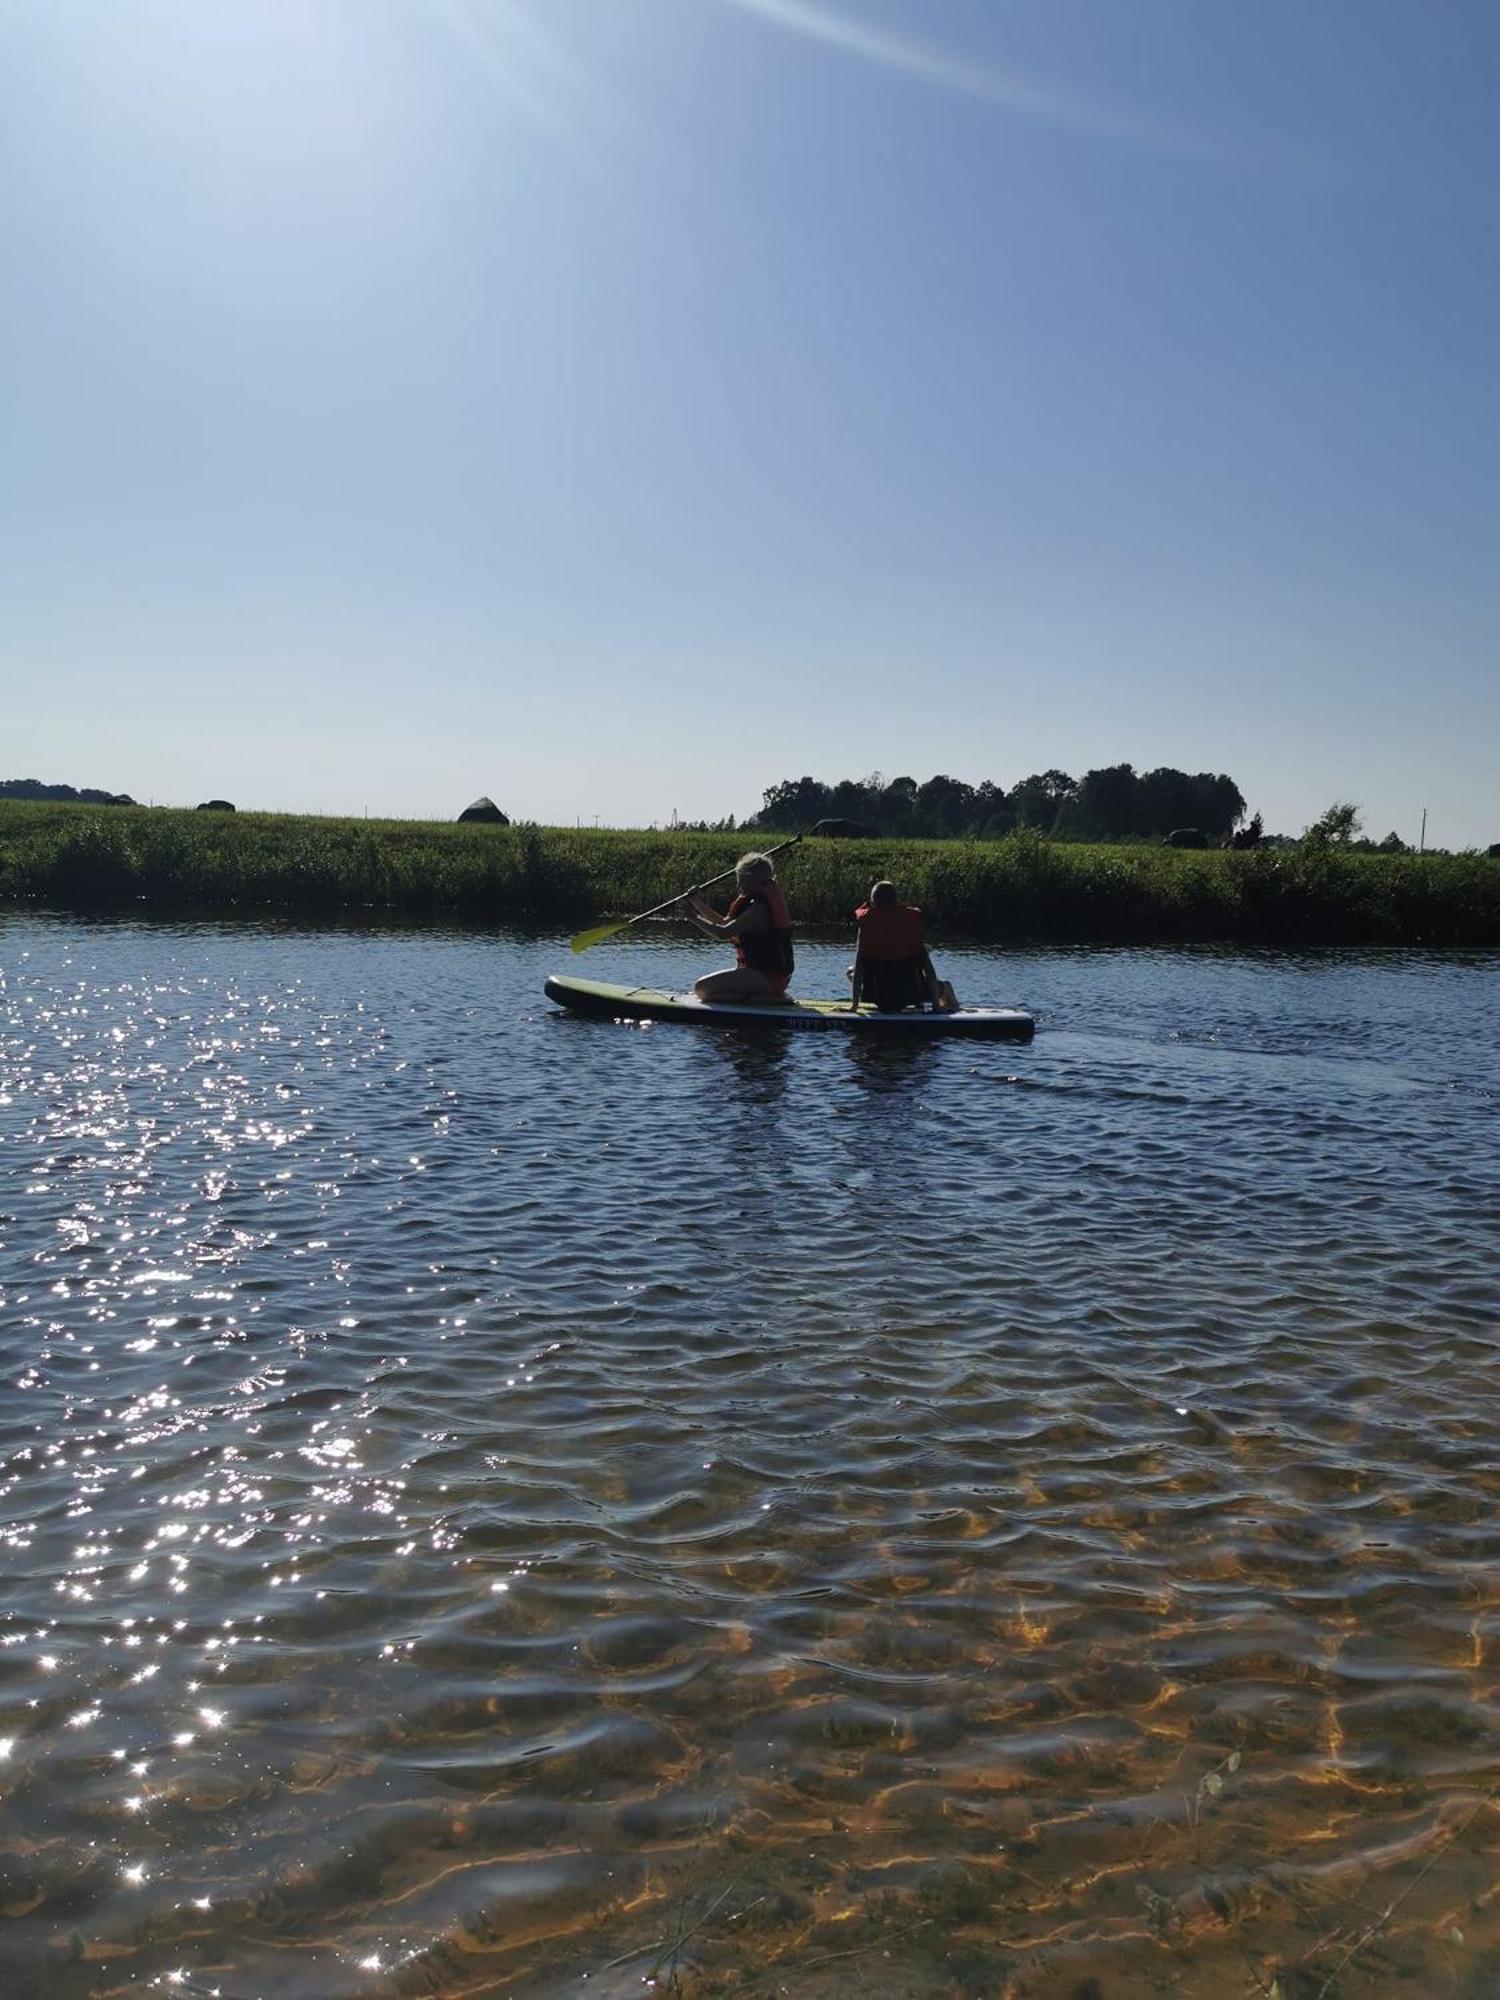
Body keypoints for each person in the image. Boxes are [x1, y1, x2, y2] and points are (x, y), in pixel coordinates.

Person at [686, 852, 795, 1002]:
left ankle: (770, 999)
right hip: (764, 975)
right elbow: (724, 924)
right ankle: (764, 996)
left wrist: (693, 918)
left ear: (753, 880)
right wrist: (696, 902)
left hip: (767, 977)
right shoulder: (755, 903)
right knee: (705, 991)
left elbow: (723, 933)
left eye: (741, 880)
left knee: (701, 989)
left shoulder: (758, 909)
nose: (738, 885)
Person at [848, 881, 957, 1012]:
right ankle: (946, 993)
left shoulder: (866, 925)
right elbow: (929, 970)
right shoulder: (911, 924)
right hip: (913, 995)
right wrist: (936, 1006)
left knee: (851, 971)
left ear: (873, 902)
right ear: (897, 901)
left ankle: (946, 992)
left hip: (876, 996)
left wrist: (854, 1006)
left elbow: (859, 968)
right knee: (926, 978)